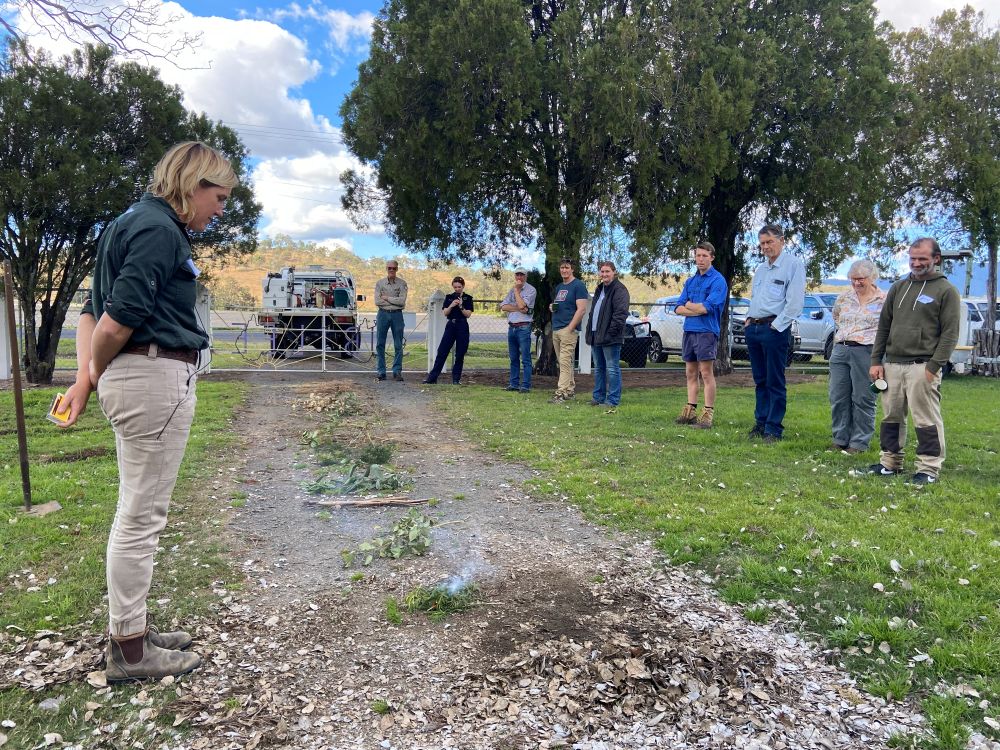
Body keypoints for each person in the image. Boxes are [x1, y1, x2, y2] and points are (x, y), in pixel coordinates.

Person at [58, 141, 237, 682]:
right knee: (141, 519)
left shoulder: (125, 223)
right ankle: (131, 651)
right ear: (192, 183)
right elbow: (115, 322)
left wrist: (86, 379)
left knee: (135, 512)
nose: (221, 209)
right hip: (153, 376)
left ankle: (131, 627)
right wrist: (93, 374)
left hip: (129, 377)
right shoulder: (161, 231)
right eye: (219, 196)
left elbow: (90, 313)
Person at [863, 238, 961, 484]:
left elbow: (950, 333)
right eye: (912, 259)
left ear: (936, 259)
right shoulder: (898, 287)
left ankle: (928, 469)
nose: (916, 264)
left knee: (926, 420)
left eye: (922, 259)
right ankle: (890, 464)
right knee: (891, 417)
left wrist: (934, 366)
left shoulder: (946, 290)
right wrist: (877, 360)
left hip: (923, 366)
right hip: (892, 365)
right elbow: (884, 325)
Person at [745, 224, 806, 442]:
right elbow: (756, 297)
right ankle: (760, 423)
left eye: (769, 242)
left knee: (775, 380)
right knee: (760, 380)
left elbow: (795, 302)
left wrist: (777, 326)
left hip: (774, 329)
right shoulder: (761, 269)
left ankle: (773, 428)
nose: (766, 247)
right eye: (762, 243)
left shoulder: (793, 265)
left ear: (781, 240)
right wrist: (749, 320)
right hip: (755, 328)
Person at [829, 259, 886, 453]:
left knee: (863, 397)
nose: (856, 283)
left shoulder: (884, 300)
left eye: (860, 279)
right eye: (852, 279)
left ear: (872, 277)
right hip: (841, 349)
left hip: (867, 351)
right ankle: (840, 438)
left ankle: (859, 442)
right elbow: (836, 317)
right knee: (838, 396)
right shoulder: (844, 297)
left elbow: (888, 327)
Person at [673, 241, 728, 429]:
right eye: (698, 255)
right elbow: (678, 308)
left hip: (706, 332)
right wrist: (694, 308)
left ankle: (707, 414)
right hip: (690, 331)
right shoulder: (690, 281)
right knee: (690, 372)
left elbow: (708, 308)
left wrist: (690, 305)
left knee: (706, 373)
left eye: (705, 255)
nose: (701, 259)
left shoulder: (718, 281)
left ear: (712, 257)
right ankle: (690, 410)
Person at [585, 261, 630, 411]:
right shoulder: (599, 290)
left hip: (610, 337)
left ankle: (613, 400)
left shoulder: (620, 290)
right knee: (598, 368)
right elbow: (593, 313)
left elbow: (620, 314)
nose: (604, 274)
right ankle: (598, 397)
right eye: (602, 272)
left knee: (612, 368)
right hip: (596, 335)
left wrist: (611, 333)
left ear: (614, 272)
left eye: (607, 271)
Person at [549, 258, 589, 403]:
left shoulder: (578, 285)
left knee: (565, 362)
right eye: (562, 267)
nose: (564, 270)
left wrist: (571, 328)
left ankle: (560, 393)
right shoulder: (560, 287)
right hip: (557, 328)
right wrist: (552, 307)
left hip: (568, 330)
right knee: (564, 362)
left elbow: (582, 309)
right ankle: (570, 389)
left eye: (567, 267)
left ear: (572, 269)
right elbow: (560, 305)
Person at [423, 276, 473, 385]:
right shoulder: (449, 297)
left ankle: (456, 379)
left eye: (459, 287)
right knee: (442, 351)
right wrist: (451, 305)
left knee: (460, 354)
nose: (457, 289)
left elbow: (468, 314)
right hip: (451, 325)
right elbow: (445, 313)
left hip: (462, 325)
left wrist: (460, 306)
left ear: (463, 286)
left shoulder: (468, 298)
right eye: (455, 287)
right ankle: (432, 378)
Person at [500, 266, 536, 392]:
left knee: (525, 358)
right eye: (517, 275)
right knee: (513, 358)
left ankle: (525, 385)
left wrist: (516, 291)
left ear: (525, 277)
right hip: (512, 327)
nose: (519, 277)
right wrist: (519, 308)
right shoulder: (511, 290)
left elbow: (522, 305)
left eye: (522, 275)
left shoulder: (531, 290)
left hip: (524, 327)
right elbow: (503, 307)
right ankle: (514, 384)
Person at [374, 259, 408, 381]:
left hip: (397, 315)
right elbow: (377, 301)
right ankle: (381, 371)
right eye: (389, 268)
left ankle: (397, 371)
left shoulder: (402, 284)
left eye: (394, 268)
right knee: (380, 343)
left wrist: (387, 297)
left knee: (398, 344)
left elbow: (402, 302)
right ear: (386, 269)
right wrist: (394, 300)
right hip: (382, 314)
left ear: (397, 269)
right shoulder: (380, 283)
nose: (391, 270)